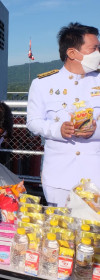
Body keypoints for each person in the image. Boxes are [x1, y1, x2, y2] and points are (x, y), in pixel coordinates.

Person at [27, 22, 100, 207]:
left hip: (95, 175)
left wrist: (95, 130)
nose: (98, 52)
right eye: (94, 48)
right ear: (72, 53)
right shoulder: (42, 84)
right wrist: (58, 129)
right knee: (59, 230)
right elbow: (33, 122)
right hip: (59, 176)